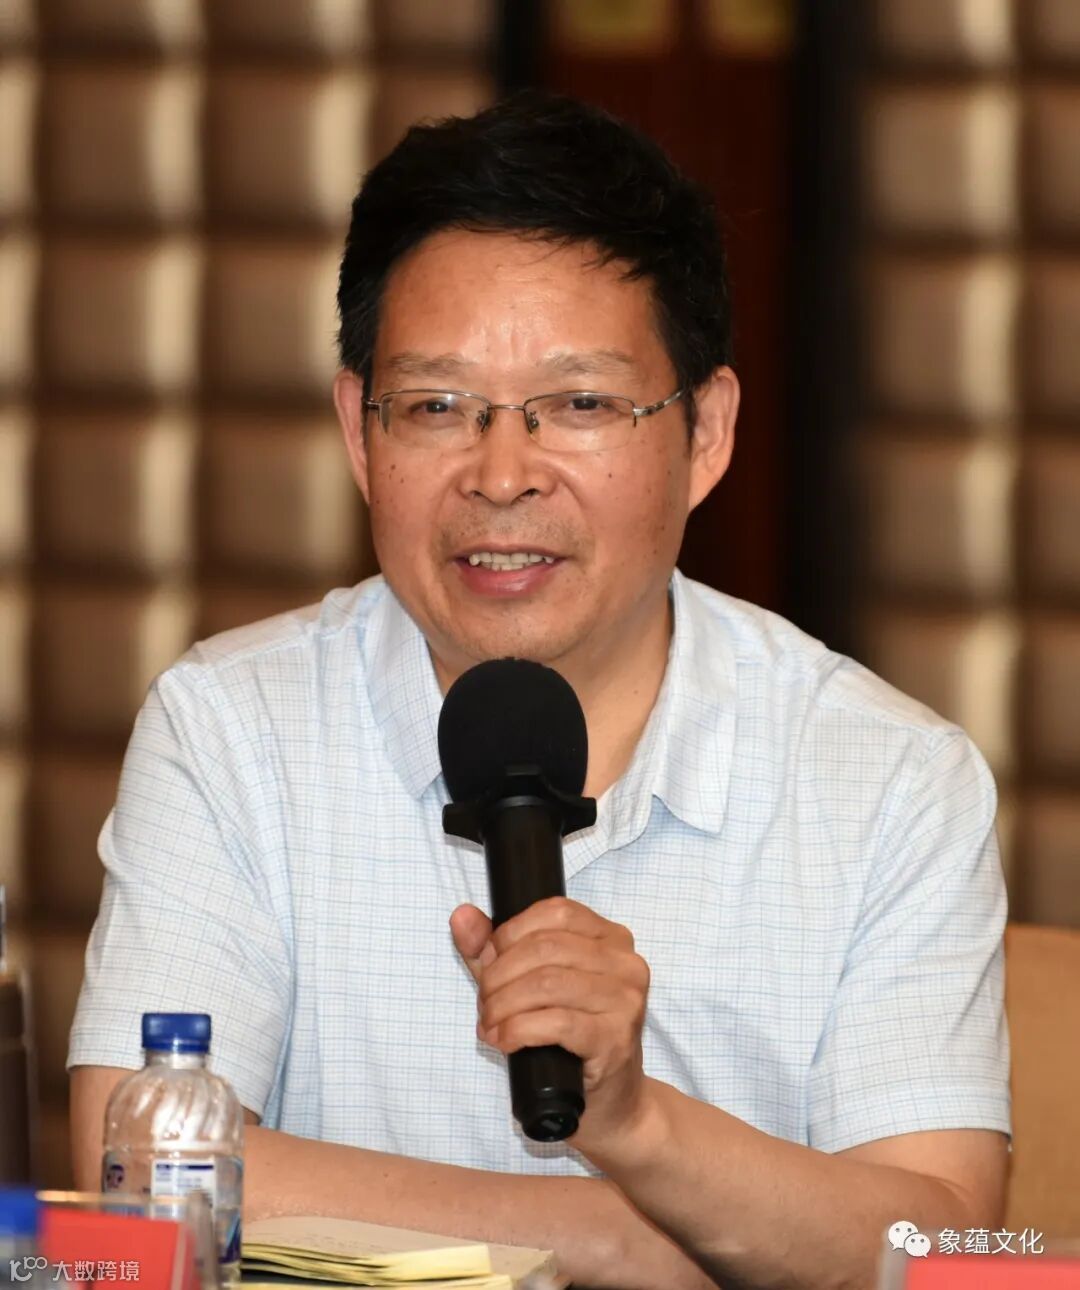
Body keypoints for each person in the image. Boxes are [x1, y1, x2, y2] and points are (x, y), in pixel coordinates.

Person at [69, 92, 1009, 1290]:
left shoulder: (889, 779)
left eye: (580, 405)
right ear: (359, 432)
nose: (502, 474)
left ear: (706, 434)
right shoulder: (232, 728)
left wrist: (640, 1128)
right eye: (437, 406)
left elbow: (952, 1250)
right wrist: (600, 1235)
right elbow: (144, 1175)